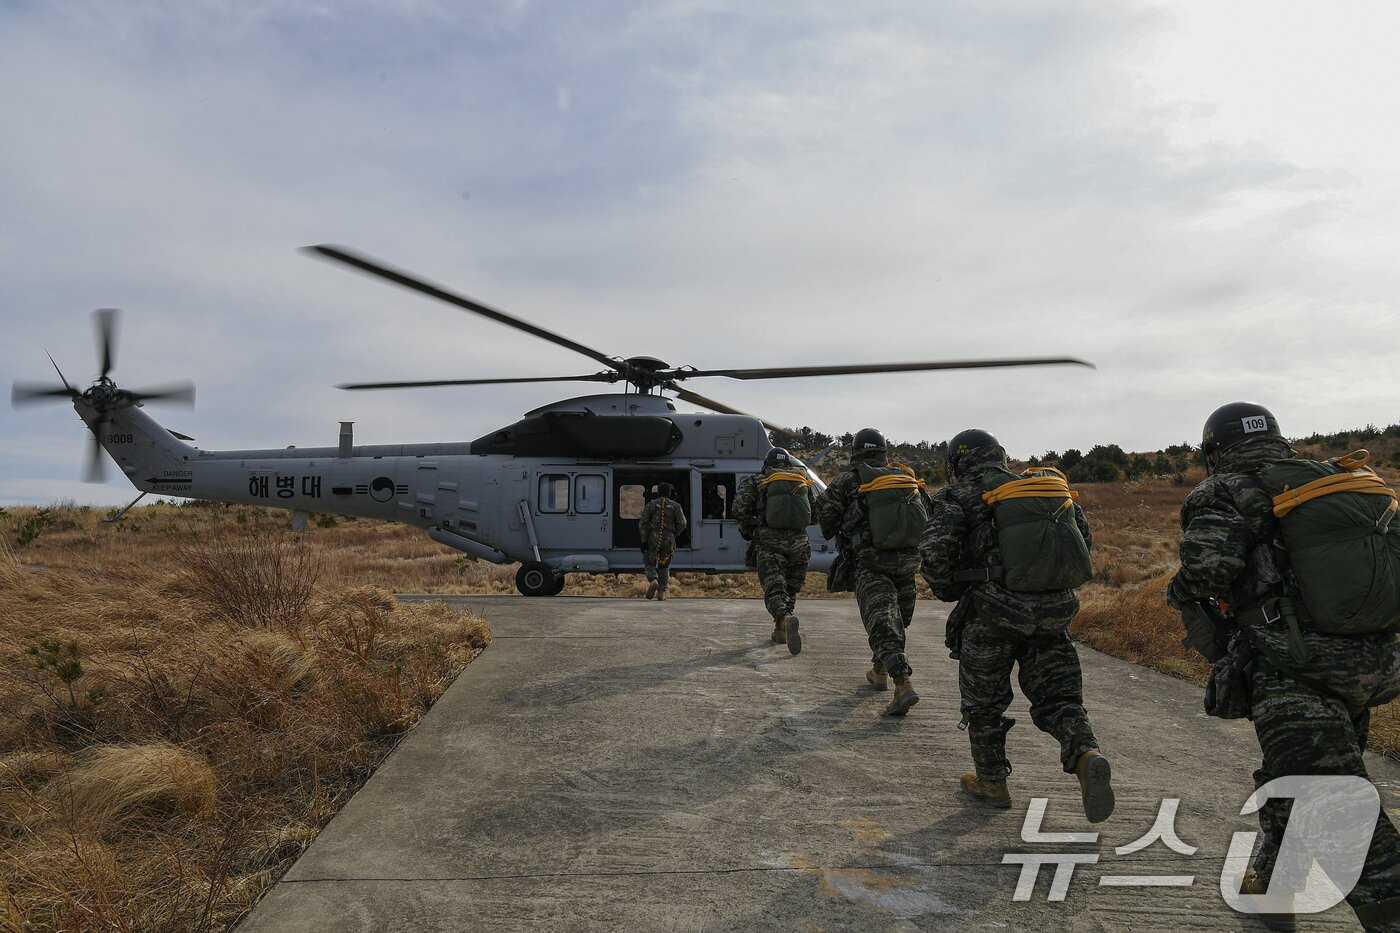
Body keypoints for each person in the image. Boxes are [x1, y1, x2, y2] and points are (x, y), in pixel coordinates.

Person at [1167, 402, 1400, 932]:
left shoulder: (1227, 488)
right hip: (1373, 662)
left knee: (1334, 802)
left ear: (1215, 449)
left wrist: (1177, 591)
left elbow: (1207, 570)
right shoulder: (1338, 479)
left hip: (1296, 665)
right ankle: (1270, 889)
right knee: (1295, 776)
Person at [921, 429, 1112, 821]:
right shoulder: (1041, 488)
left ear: (958, 462)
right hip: (1052, 615)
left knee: (984, 703)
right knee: (1059, 698)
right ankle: (1084, 754)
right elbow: (1083, 540)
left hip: (990, 615)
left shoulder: (958, 495)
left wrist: (952, 588)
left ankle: (992, 781)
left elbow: (936, 551)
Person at [816, 428, 929, 715]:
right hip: (907, 563)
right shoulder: (905, 479)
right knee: (897, 621)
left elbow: (825, 520)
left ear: (855, 452)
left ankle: (903, 684)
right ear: (883, 452)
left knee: (882, 623)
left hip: (870, 563)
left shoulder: (847, 481)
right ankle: (878, 671)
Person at [734, 447, 816, 654]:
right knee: (789, 588)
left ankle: (785, 619)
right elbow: (815, 514)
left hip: (770, 541)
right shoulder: (801, 480)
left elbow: (739, 509)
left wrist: (751, 527)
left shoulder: (757, 481)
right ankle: (780, 630)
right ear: (787, 464)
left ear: (766, 464)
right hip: (800, 543)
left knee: (774, 588)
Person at [639, 483, 687, 600]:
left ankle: (653, 580)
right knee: (664, 565)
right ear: (670, 493)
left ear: (658, 492)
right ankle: (661, 593)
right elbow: (683, 523)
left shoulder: (651, 504)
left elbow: (642, 523)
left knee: (650, 563)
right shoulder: (675, 506)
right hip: (669, 537)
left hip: (653, 537)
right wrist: (674, 534)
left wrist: (644, 540)